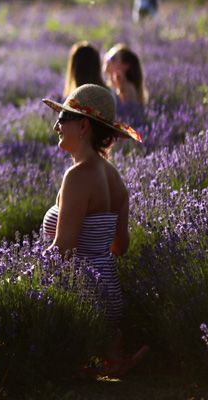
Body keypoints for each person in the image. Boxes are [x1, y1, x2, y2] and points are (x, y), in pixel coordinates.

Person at [41, 84, 149, 377]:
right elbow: (119, 248)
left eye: (63, 118)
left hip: (82, 300)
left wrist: (20, 277)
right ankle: (110, 347)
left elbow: (62, 252)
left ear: (84, 125)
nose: (56, 126)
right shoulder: (115, 178)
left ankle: (68, 358)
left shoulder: (77, 176)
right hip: (111, 300)